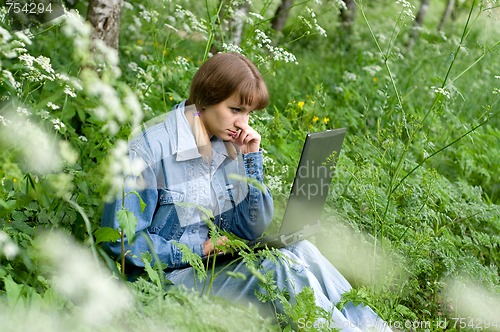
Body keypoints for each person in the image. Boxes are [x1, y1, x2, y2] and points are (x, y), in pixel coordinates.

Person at [101, 52, 391, 331]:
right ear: (205, 100)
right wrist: (198, 250)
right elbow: (121, 242)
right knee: (280, 269)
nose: (243, 123)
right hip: (170, 278)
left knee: (302, 250)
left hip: (215, 265)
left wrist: (250, 158)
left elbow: (251, 229)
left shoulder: (227, 144)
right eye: (235, 110)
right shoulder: (149, 149)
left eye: (248, 113)